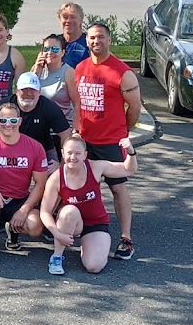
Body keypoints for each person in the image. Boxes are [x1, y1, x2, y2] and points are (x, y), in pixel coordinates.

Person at [74, 22, 142, 260]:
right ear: (86, 41)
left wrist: (124, 131)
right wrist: (76, 132)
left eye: (101, 37)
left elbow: (135, 107)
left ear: (109, 40)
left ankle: (126, 238)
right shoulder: (80, 68)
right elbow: (77, 104)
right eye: (92, 37)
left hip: (112, 142)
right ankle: (82, 227)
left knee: (118, 188)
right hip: (86, 141)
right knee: (81, 187)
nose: (96, 41)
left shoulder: (123, 72)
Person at [41, 135, 138, 276]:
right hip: (72, 222)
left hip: (95, 223)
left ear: (85, 155)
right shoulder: (56, 177)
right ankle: (57, 256)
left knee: (94, 267)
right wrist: (57, 233)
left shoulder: (95, 167)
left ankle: (88, 246)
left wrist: (130, 152)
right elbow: (45, 212)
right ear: (63, 153)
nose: (73, 157)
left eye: (78, 153)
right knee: (69, 211)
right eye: (69, 153)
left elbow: (129, 170)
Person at [0, 101, 50, 265]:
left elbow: (41, 184)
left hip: (19, 200)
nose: (9, 124)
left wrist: (24, 210)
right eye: (4, 120)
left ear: (19, 122)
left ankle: (13, 231)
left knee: (35, 227)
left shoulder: (35, 147)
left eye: (13, 121)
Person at [0, 72, 72, 168]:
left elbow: (66, 134)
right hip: (7, 151)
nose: (28, 93)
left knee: (54, 176)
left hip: (43, 151)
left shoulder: (49, 107)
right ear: (16, 90)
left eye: (33, 89)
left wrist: (62, 165)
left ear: (39, 91)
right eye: (24, 89)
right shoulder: (3, 106)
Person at [32, 33, 78, 125]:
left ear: (63, 52)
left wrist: (75, 130)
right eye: (46, 49)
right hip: (40, 125)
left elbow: (77, 103)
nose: (50, 52)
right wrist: (36, 72)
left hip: (62, 127)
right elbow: (24, 96)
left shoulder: (68, 72)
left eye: (55, 49)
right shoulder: (37, 70)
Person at [59, 2, 90, 68]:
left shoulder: (89, 43)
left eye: (73, 17)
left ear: (81, 20)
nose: (68, 21)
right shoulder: (53, 42)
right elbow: (37, 69)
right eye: (65, 17)